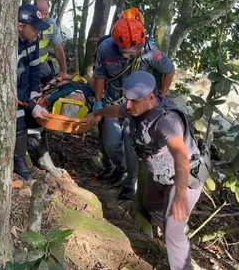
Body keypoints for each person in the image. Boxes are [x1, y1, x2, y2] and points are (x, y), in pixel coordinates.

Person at [87, 71, 212, 270]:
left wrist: (179, 197)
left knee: (173, 232)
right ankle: (176, 229)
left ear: (151, 98)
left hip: (184, 179)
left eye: (133, 101)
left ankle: (180, 255)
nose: (128, 105)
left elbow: (181, 157)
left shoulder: (167, 122)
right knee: (150, 204)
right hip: (160, 175)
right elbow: (116, 110)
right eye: (127, 100)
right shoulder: (136, 107)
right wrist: (97, 114)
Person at [93, 17, 175, 200]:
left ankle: (131, 181)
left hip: (139, 108)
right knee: (111, 144)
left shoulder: (150, 51)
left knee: (131, 147)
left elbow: (169, 69)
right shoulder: (105, 49)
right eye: (128, 51)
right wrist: (98, 101)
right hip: (114, 103)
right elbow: (99, 75)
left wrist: (162, 94)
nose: (133, 54)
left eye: (136, 50)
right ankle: (119, 168)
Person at [16, 4, 62, 180]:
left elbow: (34, 70)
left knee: (40, 117)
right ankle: (19, 162)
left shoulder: (33, 40)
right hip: (15, 96)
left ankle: (43, 157)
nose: (37, 33)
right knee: (19, 118)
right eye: (34, 29)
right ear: (21, 26)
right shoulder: (7, 45)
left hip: (26, 90)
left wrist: (36, 93)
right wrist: (29, 103)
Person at [34, 0, 67, 85]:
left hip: (42, 64)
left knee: (51, 85)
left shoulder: (51, 26)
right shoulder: (26, 23)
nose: (43, 17)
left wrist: (63, 71)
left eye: (46, 13)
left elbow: (58, 49)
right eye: (40, 14)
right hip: (26, 65)